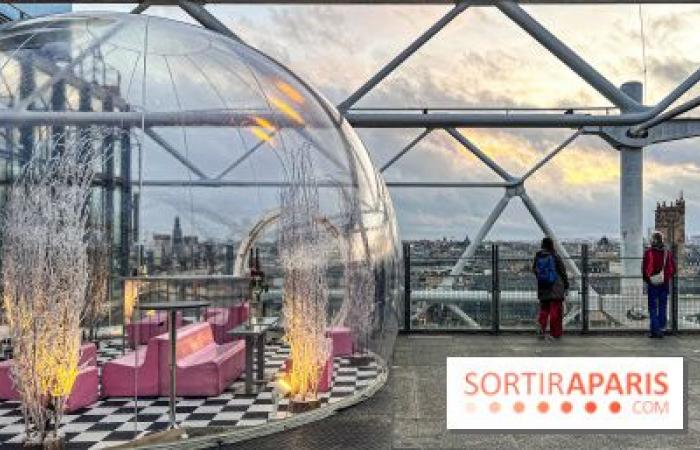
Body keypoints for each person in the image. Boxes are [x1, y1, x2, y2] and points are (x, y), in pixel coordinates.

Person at [532, 237, 569, 340]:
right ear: (552, 245)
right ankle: (555, 333)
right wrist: (566, 284)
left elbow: (534, 270)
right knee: (555, 312)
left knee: (544, 310)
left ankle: (541, 330)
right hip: (556, 287)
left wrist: (542, 278)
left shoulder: (538, 256)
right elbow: (562, 272)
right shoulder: (555, 256)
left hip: (543, 286)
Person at [642, 231, 676, 338]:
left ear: (652, 240)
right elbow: (673, 268)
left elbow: (644, 268)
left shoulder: (649, 252)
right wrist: (666, 277)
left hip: (652, 283)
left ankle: (655, 330)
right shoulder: (667, 253)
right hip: (664, 283)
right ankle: (661, 328)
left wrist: (648, 279)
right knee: (662, 306)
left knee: (652, 307)